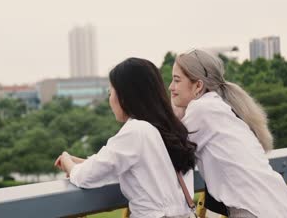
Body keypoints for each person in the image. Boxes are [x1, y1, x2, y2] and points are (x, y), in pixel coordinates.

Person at [55, 57, 197, 218]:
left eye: (110, 92)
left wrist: (67, 161)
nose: (110, 99)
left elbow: (85, 177)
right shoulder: (170, 129)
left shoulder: (136, 131)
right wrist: (84, 162)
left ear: (124, 96)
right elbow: (138, 167)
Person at [169, 49, 287, 218]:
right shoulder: (220, 108)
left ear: (198, 86)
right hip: (278, 207)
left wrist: (175, 113)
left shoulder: (202, 109)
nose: (171, 87)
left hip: (255, 212)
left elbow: (168, 150)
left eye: (176, 80)